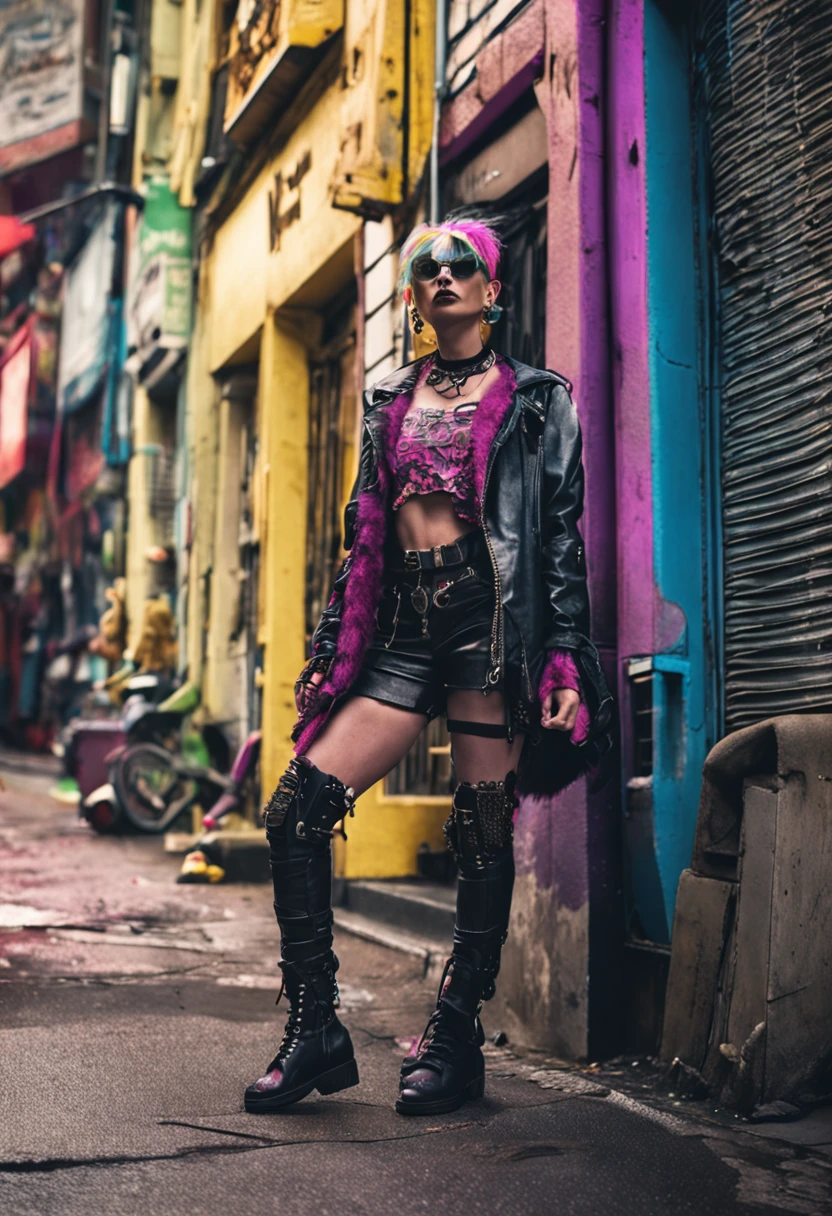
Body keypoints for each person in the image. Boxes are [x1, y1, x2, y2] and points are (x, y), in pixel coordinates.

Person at [244, 218, 613, 1118]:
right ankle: (315, 1028)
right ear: (412, 295)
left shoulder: (536, 399)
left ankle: (454, 1030)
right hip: (404, 626)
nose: (444, 276)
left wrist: (563, 653)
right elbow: (364, 533)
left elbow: (557, 536)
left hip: (491, 626)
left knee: (483, 829)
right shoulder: (384, 403)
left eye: (463, 265)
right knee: (297, 811)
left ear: (492, 290)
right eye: (426, 267)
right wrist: (336, 644)